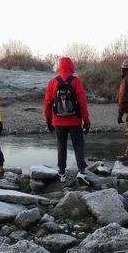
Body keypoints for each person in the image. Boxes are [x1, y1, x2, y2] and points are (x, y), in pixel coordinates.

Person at [44, 56, 90, 184]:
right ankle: (81, 171)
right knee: (78, 145)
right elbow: (82, 103)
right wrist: (86, 120)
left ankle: (62, 173)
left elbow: (47, 104)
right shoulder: (76, 81)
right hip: (75, 121)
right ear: (71, 66)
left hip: (58, 121)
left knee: (61, 146)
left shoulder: (53, 82)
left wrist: (48, 121)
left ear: (59, 66)